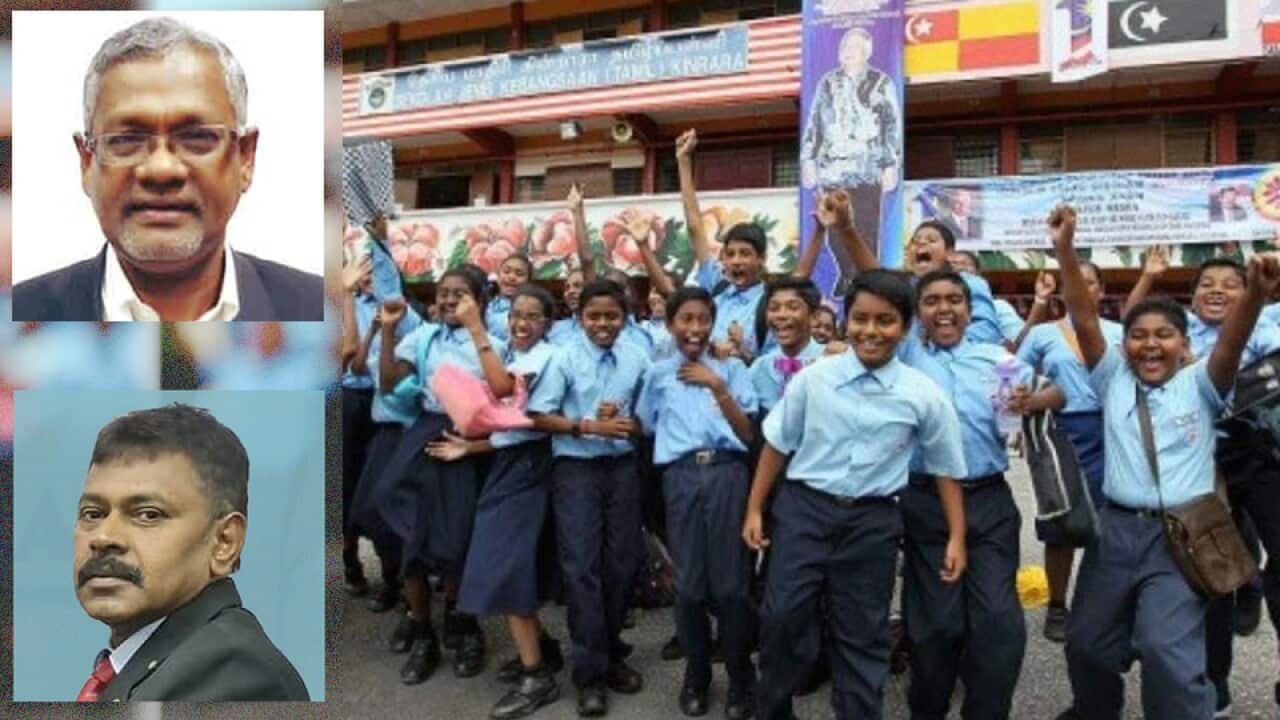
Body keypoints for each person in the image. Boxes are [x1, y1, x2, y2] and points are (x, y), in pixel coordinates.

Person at [1050, 204, 1280, 720]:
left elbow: (1232, 340)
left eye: (1164, 336)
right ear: (1124, 345)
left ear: (1183, 345)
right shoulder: (1112, 380)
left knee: (1165, 652)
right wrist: (1065, 250)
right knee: (1086, 644)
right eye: (1138, 335)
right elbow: (1085, 316)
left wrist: (1257, 293)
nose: (1150, 344)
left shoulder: (1202, 385)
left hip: (1180, 537)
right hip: (1115, 535)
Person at [744, 269, 968, 720]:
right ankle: (772, 709)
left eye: (885, 321)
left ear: (905, 327)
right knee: (783, 618)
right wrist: (754, 509)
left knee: (862, 632)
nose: (871, 331)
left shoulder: (922, 394)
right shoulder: (813, 379)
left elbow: (945, 468)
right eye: (861, 319)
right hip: (805, 511)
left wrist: (957, 536)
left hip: (872, 523)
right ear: (846, 322)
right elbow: (777, 443)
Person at [12, 17, 321, 321]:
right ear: (87, 162)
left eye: (197, 137)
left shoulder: (315, 306)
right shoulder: (20, 313)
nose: (161, 169)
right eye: (126, 139)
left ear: (245, 158)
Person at [899, 269, 1064, 719]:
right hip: (925, 504)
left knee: (999, 627)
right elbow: (874, 276)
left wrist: (1033, 401)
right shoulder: (906, 355)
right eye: (931, 300)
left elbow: (1062, 392)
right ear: (917, 313)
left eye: (954, 299)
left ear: (971, 311)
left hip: (989, 500)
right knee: (937, 629)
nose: (944, 309)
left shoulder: (999, 360)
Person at [1124, 249, 1280, 718]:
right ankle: (1214, 682)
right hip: (1197, 462)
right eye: (1205, 283)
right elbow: (1128, 333)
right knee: (1206, 573)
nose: (1215, 289)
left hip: (1260, 456)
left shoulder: (1269, 326)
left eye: (1229, 283)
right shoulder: (1172, 335)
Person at [73, 404, 308, 701]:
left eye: (148, 514)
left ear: (224, 542)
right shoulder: (149, 663)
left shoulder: (234, 673)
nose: (104, 537)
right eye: (92, 513)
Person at [427, 285, 566, 719]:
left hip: (527, 470)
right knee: (501, 565)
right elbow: (509, 428)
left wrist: (475, 329)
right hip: (509, 464)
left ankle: (537, 676)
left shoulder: (547, 357)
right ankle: (542, 650)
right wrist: (471, 448)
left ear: (548, 323)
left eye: (532, 316)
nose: (521, 323)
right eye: (516, 315)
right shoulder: (519, 353)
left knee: (504, 569)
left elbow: (507, 396)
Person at [377, 265, 505, 685]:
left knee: (458, 540)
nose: (449, 299)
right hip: (426, 436)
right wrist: (389, 333)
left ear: (481, 301)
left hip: (468, 443)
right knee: (409, 534)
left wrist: (475, 330)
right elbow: (389, 383)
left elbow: (503, 395)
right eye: (444, 293)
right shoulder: (425, 337)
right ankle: (422, 632)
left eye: (460, 293)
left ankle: (462, 624)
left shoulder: (494, 343)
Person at [634, 286, 758, 719]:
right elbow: (645, 425)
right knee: (688, 589)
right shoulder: (657, 374)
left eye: (703, 319)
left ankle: (742, 678)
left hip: (728, 472)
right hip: (681, 476)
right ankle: (698, 674)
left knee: (731, 587)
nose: (695, 328)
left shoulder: (733, 368)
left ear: (713, 322)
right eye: (685, 319)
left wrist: (717, 385)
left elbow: (747, 434)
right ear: (670, 324)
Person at [526, 279, 649, 717]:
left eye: (611, 316)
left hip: (621, 470)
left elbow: (646, 421)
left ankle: (611, 653)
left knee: (621, 565)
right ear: (580, 318)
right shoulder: (564, 356)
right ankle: (589, 674)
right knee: (582, 570)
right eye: (594, 316)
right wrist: (586, 426)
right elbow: (539, 416)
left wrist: (628, 423)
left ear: (625, 318)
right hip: (575, 468)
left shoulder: (638, 357)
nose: (602, 323)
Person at [1016, 261, 1122, 643]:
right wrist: (1036, 400)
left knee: (1108, 522)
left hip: (1110, 433)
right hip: (1059, 432)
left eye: (1090, 282)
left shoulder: (1119, 333)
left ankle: (1102, 605)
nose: (1082, 288)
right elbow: (1016, 376)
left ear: (1101, 290)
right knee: (1060, 521)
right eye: (1074, 283)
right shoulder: (1043, 334)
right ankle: (1057, 606)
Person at [821, 189, 1004, 346]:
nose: (921, 244)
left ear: (949, 252)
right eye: (915, 241)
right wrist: (845, 227)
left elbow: (987, 332)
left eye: (931, 240)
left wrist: (940, 343)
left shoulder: (971, 284)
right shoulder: (905, 285)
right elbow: (874, 276)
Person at [799, 28, 900, 293]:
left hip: (868, 170)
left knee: (864, 227)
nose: (847, 50)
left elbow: (892, 125)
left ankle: (864, 281)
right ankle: (846, 274)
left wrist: (891, 164)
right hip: (833, 170)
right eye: (845, 45)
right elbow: (814, 122)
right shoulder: (828, 82)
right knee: (833, 229)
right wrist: (808, 159)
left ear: (867, 52)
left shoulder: (881, 82)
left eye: (854, 46)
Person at [340, 255, 378, 596]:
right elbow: (347, 352)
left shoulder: (392, 308)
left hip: (383, 404)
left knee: (376, 483)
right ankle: (349, 557)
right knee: (346, 484)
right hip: (345, 401)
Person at [750, 277, 826, 415]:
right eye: (774, 308)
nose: (781, 315)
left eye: (793, 307)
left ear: (814, 317)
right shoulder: (759, 368)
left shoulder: (830, 361)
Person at [486, 255, 534, 342]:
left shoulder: (530, 311)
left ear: (528, 282)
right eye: (506, 271)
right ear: (498, 276)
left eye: (519, 274)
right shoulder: (485, 304)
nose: (511, 277)